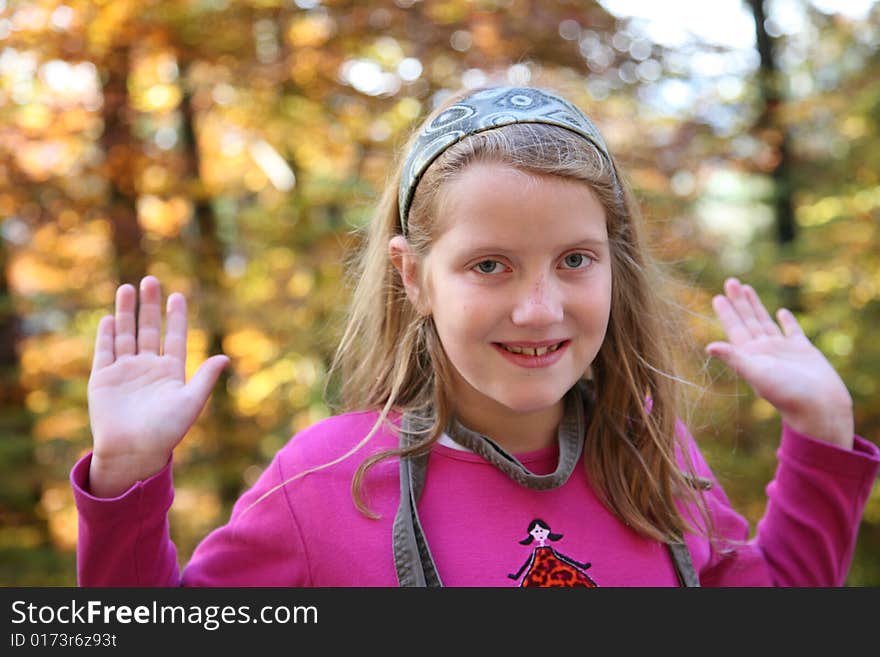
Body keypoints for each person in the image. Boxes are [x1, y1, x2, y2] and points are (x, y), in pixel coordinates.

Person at [71, 85, 879, 587]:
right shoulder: (324, 482)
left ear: (613, 265)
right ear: (413, 276)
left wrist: (820, 437)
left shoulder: (651, 454)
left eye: (574, 260)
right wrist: (128, 480)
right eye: (490, 265)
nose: (539, 308)